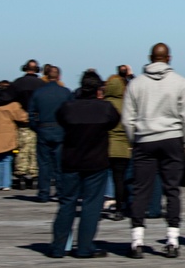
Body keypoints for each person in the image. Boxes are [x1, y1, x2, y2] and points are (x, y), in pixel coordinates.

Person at [122, 42, 185, 259]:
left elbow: (127, 119)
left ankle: (137, 241)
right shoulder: (181, 83)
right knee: (172, 189)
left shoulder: (136, 84)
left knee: (140, 190)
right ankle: (172, 239)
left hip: (144, 139)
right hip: (172, 139)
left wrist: (133, 138)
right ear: (169, 58)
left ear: (150, 57)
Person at [49, 71, 120, 259]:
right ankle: (84, 247)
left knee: (67, 204)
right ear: (99, 90)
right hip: (95, 162)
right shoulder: (105, 108)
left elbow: (60, 119)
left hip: (70, 161)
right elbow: (114, 122)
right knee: (91, 205)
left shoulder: (68, 108)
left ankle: (58, 247)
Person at [29, 65, 73, 203]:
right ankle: (61, 192)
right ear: (59, 76)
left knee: (44, 164)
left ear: (46, 76)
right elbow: (71, 113)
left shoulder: (38, 93)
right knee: (60, 164)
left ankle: (43, 193)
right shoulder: (65, 92)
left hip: (43, 129)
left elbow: (30, 115)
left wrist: (36, 128)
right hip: (60, 130)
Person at [0, 85, 27, 191]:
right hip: (7, 136)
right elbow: (23, 117)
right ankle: (6, 184)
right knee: (7, 159)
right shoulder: (12, 105)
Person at [10, 59, 44, 190]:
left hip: (22, 120)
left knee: (22, 149)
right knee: (35, 149)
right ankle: (34, 174)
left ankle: (21, 174)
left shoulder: (18, 83)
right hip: (37, 119)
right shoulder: (41, 84)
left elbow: (7, 97)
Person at [103, 72, 131, 221]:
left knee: (103, 177)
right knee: (120, 179)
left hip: (105, 147)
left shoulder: (104, 105)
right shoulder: (127, 104)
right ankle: (120, 208)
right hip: (123, 147)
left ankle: (103, 202)